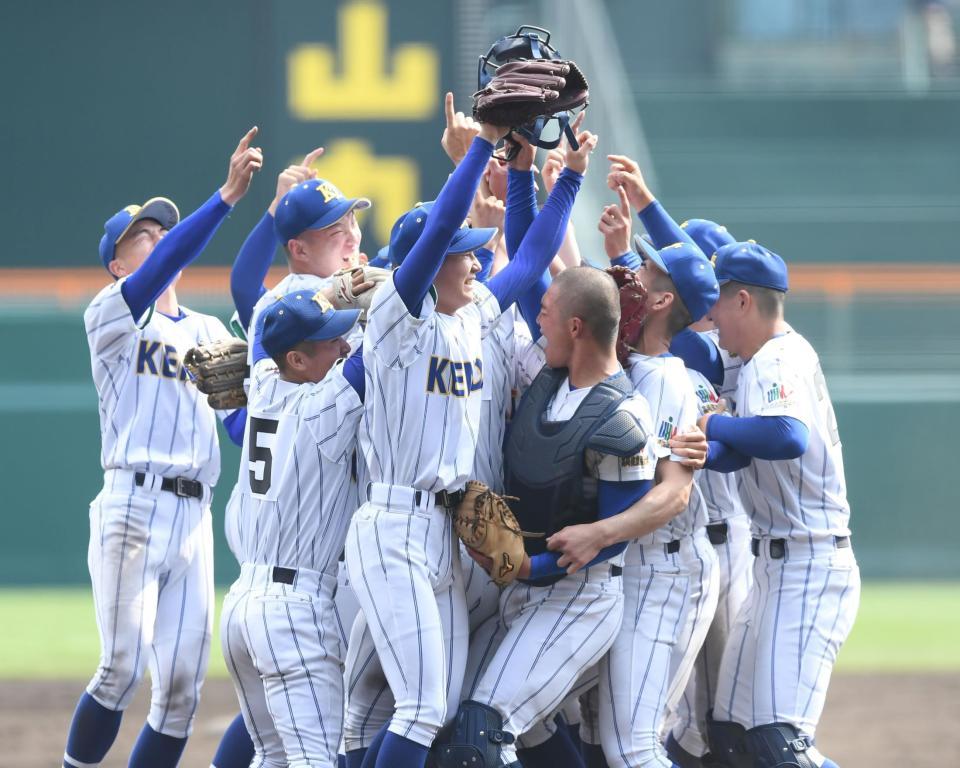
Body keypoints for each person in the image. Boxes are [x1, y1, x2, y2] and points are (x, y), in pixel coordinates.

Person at [63, 128, 262, 768]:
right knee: (120, 667)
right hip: (131, 506)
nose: (154, 241)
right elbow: (164, 265)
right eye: (139, 239)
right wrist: (228, 196)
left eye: (158, 232)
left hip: (193, 516)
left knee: (180, 691)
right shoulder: (110, 315)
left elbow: (237, 429)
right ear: (119, 264)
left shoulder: (208, 332)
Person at [450, 265, 658, 768]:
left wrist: (531, 568)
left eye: (547, 314)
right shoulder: (552, 384)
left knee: (482, 736)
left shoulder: (623, 417)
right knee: (458, 727)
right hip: (523, 594)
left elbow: (608, 538)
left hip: (580, 598)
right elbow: (531, 262)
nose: (537, 322)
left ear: (575, 327)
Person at [699, 242, 860, 768]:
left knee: (777, 741)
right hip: (776, 568)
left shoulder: (777, 358)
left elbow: (786, 436)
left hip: (810, 564)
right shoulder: (763, 358)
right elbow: (744, 454)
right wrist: (697, 448)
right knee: (732, 736)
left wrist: (714, 425)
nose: (711, 315)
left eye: (718, 302)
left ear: (743, 301)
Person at [220, 290, 366, 768]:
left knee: (272, 757)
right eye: (329, 341)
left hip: (242, 607)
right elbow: (382, 350)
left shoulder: (263, 384)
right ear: (298, 359)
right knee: (314, 761)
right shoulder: (325, 406)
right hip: (292, 611)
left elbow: (262, 336)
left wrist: (325, 295)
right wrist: (387, 288)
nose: (342, 345)